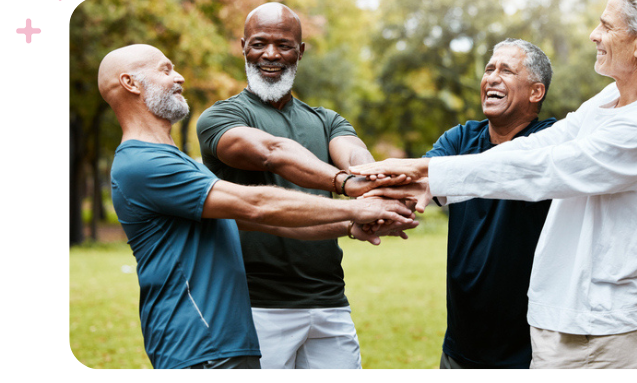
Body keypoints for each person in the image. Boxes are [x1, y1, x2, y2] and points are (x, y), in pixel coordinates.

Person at [353, 0, 637, 369]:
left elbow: (545, 168)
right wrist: (432, 180)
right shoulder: (612, 98)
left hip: (591, 326)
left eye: (607, 26)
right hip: (558, 318)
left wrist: (430, 174)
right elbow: (544, 144)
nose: (594, 35)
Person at [99, 44, 416, 369]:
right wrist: (355, 206)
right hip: (198, 347)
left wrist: (348, 227)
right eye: (165, 70)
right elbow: (254, 204)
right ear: (131, 83)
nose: (178, 77)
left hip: (228, 343)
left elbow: (257, 222)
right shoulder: (142, 163)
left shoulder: (175, 161)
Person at [196, 3, 409, 369]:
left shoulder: (326, 120)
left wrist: (379, 180)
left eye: (284, 44)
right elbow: (271, 153)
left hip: (329, 302)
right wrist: (345, 183)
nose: (271, 54)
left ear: (301, 51)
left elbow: (358, 158)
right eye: (259, 43)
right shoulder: (221, 116)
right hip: (254, 305)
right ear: (243, 46)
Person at [419, 39, 555, 368]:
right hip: (460, 348)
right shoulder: (460, 138)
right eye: (489, 69)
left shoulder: (550, 140)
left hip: (529, 351)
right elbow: (422, 180)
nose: (491, 78)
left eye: (506, 70)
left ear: (536, 92)